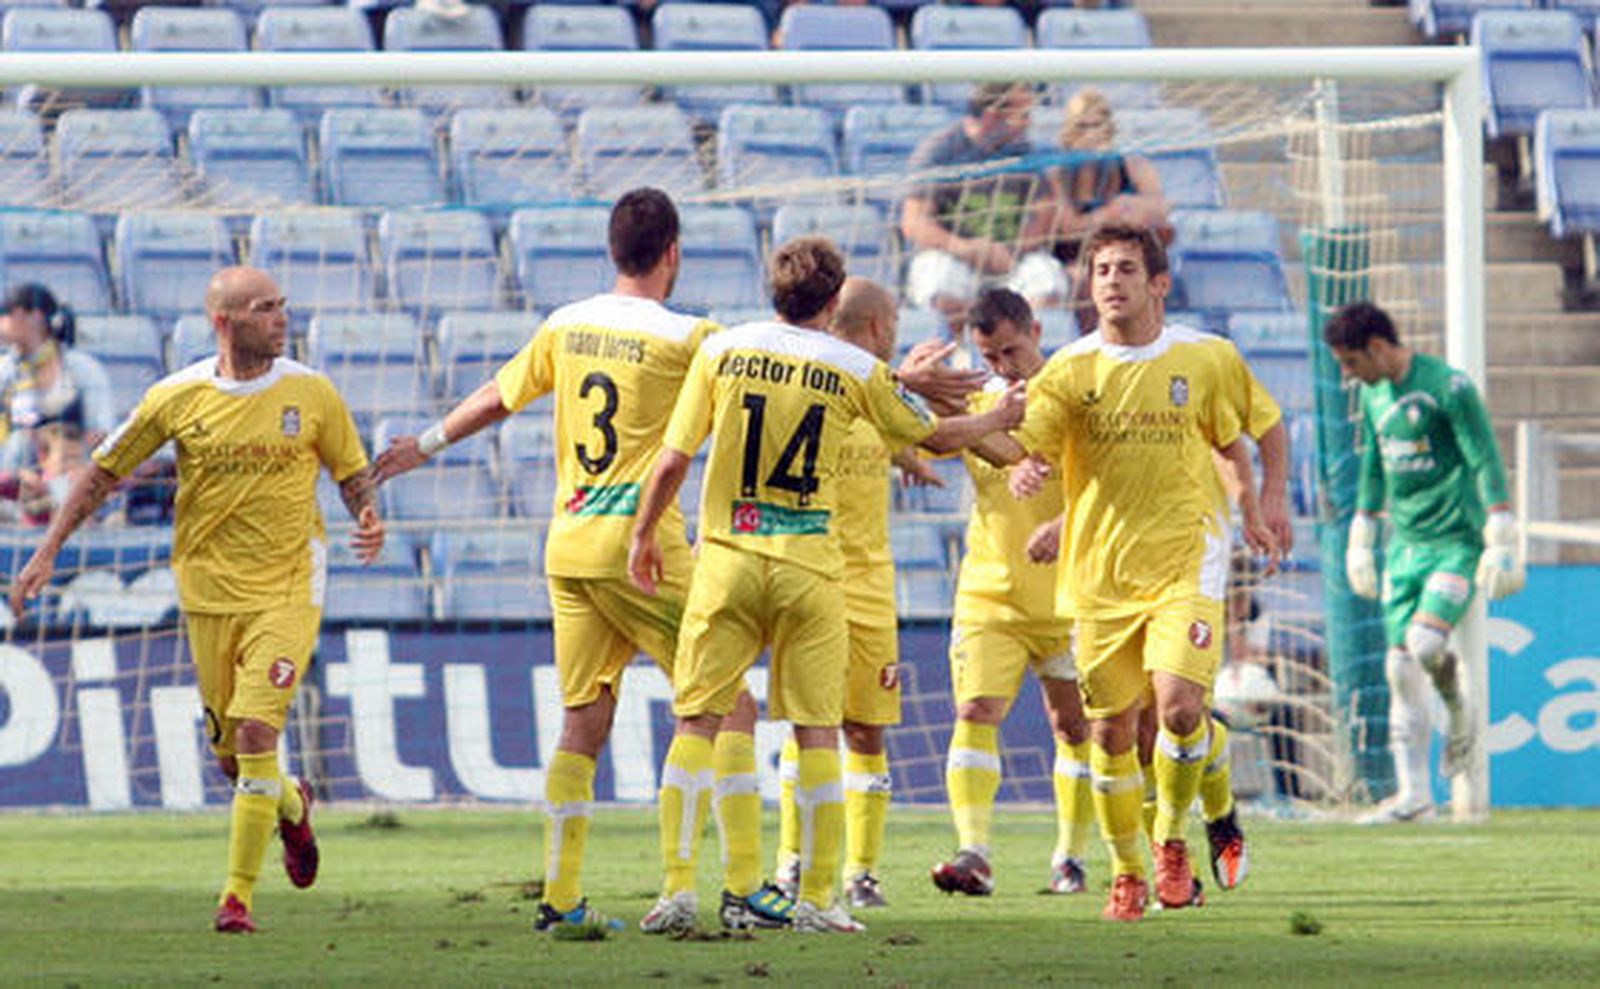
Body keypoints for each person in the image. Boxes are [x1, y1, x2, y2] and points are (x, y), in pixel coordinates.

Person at [373, 188, 780, 934]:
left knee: (584, 719)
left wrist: (422, 445)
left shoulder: (567, 323)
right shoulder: (694, 336)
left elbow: (501, 395)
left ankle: (561, 898)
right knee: (729, 703)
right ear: (673, 253)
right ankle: (714, 885)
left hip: (567, 547)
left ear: (612, 249)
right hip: (643, 546)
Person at [627, 236, 1013, 935]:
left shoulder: (722, 347)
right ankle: (821, 899)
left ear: (773, 288)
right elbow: (935, 437)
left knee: (697, 722)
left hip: (727, 559)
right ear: (833, 302)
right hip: (810, 568)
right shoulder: (855, 366)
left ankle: (678, 889)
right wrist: (998, 418)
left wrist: (644, 533)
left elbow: (673, 459)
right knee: (816, 732)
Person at [10, 266, 385, 934]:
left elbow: (351, 472)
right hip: (209, 590)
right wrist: (47, 551)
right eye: (264, 308)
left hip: (289, 585)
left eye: (282, 306)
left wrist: (367, 513)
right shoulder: (176, 396)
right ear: (225, 320)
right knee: (232, 760)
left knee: (256, 731)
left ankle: (236, 897)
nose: (280, 318)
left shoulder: (312, 393)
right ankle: (293, 806)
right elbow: (101, 473)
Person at [1000, 223, 1288, 921]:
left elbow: (1263, 427)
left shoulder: (1207, 357)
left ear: (1158, 282)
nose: (1110, 280)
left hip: (1187, 561)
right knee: (1113, 734)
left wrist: (1267, 500)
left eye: (1127, 268)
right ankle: (1125, 872)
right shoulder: (1069, 368)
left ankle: (1168, 845)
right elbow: (1023, 441)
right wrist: (1022, 462)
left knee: (1181, 708)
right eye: (1100, 269)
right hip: (1099, 578)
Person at [903, 287, 1094, 900]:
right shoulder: (982, 400)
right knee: (975, 711)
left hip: (1070, 593)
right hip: (990, 591)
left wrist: (1049, 497)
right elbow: (938, 435)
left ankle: (1070, 857)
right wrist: (921, 387)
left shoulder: (1076, 390)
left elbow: (1110, 476)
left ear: (1037, 328)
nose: (1004, 365)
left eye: (1012, 349)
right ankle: (975, 851)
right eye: (991, 355)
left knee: (1073, 726)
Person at [1323, 300, 1523, 824]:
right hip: (1405, 545)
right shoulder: (1373, 395)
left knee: (1426, 643)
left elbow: (1482, 455)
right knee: (1397, 667)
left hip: (1455, 540)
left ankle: (1459, 707)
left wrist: (1501, 525)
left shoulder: (1447, 387)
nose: (1347, 374)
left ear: (1378, 347)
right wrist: (1362, 531)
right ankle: (1414, 798)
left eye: (1350, 362)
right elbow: (1373, 463)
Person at [771, 277, 933, 910]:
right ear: (876, 326)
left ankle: (858, 872)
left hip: (868, 586)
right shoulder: (821, 387)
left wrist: (911, 460)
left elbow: (914, 436)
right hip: (817, 577)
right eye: (892, 321)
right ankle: (794, 862)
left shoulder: (879, 392)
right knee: (809, 727)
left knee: (865, 730)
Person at [900, 81, 1067, 326]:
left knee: (1047, 279)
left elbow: (1045, 212)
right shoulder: (940, 151)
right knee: (936, 279)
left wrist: (1012, 251)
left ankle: (1026, 354)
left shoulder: (1025, 150)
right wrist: (965, 248)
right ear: (992, 117)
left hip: (1011, 258)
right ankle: (963, 353)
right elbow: (914, 221)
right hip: (955, 255)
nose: (1028, 123)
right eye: (1022, 115)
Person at [1046, 87, 1168, 268]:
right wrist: (1111, 213)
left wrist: (1131, 205)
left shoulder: (1135, 166)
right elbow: (1068, 228)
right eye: (1082, 126)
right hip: (1073, 261)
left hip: (1125, 255)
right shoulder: (1056, 175)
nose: (1090, 134)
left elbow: (1162, 209)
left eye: (1096, 125)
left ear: (1108, 128)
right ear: (1070, 130)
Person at [0, 283, 115, 471]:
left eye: (7, 314)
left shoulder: (83, 369)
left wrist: (57, 451)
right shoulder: (4, 371)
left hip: (69, 474)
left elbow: (101, 431)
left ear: (34, 317)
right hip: (11, 481)